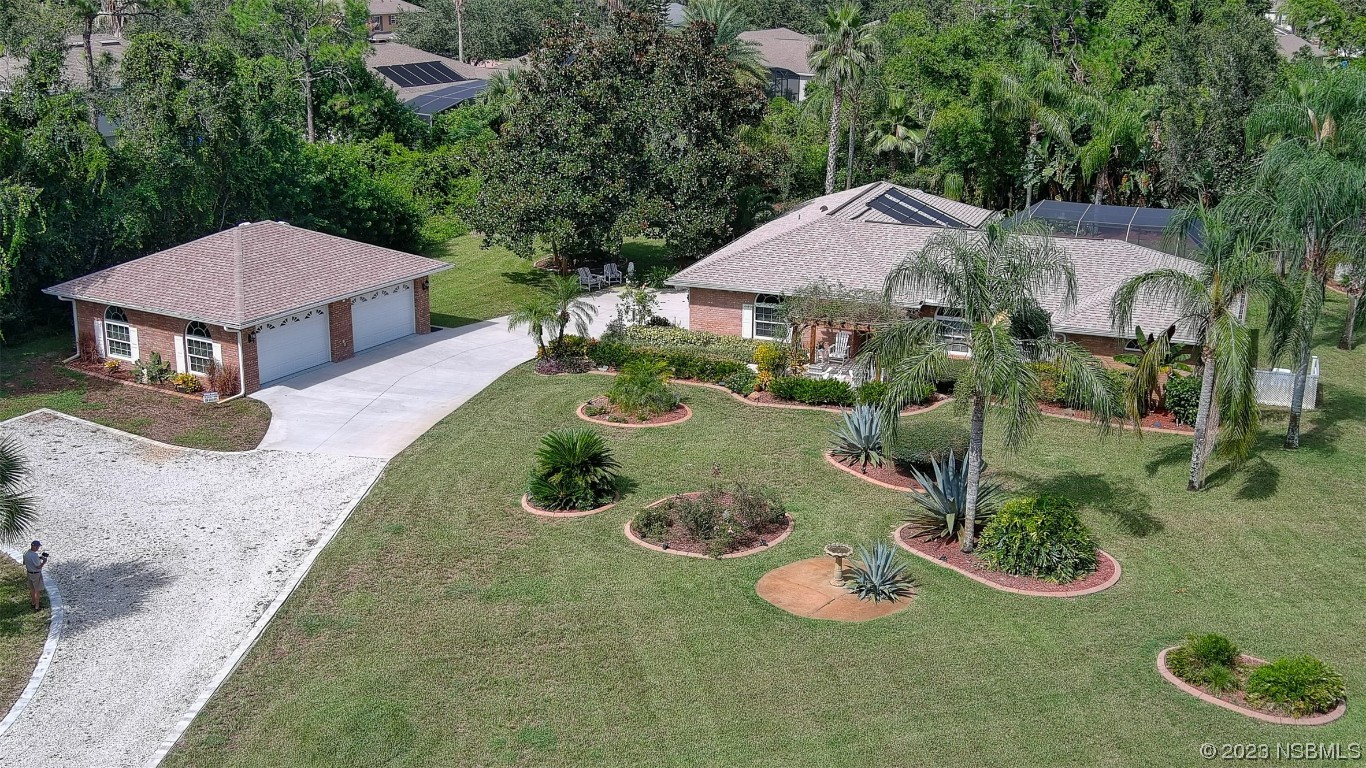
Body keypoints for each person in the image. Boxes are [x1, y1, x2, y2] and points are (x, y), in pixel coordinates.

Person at [22, 541, 48, 611]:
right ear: (35, 547)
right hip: (36, 574)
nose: (38, 548)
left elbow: (24, 562)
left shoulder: (26, 553)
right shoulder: (35, 555)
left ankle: (33, 603)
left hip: (29, 573)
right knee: (37, 590)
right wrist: (44, 562)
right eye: (38, 547)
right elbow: (38, 567)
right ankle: (37, 606)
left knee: (32, 589)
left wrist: (38, 558)